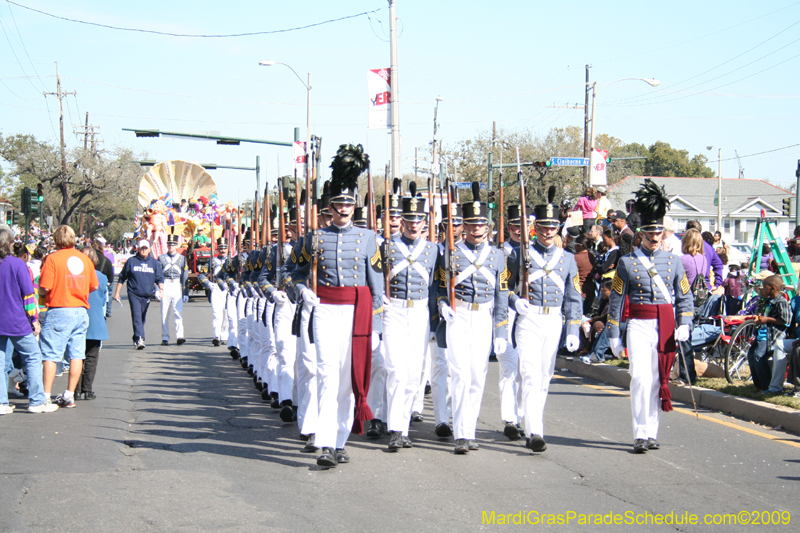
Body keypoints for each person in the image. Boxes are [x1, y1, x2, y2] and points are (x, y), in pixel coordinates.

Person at [291, 144, 384, 468]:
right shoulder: (314, 239)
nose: (343, 209)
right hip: (326, 308)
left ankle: (342, 438)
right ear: (329, 206)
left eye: (348, 203)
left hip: (358, 311)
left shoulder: (370, 238)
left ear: (355, 205)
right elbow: (294, 274)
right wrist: (303, 291)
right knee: (327, 375)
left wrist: (378, 325)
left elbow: (377, 284)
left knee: (347, 379)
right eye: (338, 203)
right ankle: (326, 443)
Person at [607, 180, 693, 453]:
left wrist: (685, 323)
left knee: (658, 379)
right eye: (649, 232)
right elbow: (617, 301)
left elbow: (685, 296)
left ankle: (652, 431)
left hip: (665, 325)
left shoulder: (674, 262)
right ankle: (639, 432)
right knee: (640, 378)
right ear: (641, 234)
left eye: (658, 232)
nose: (654, 237)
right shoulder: (627, 262)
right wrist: (613, 333)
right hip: (639, 324)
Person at [507, 187, 582, 453]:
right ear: (535, 227)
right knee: (529, 373)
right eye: (543, 227)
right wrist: (516, 301)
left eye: (552, 227)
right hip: (528, 319)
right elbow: (504, 287)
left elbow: (574, 296)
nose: (548, 232)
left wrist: (573, 328)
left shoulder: (568, 259)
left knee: (544, 377)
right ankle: (534, 430)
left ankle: (530, 418)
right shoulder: (519, 255)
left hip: (553, 321)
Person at [437, 182, 509, 455]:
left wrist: (501, 331)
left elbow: (502, 295)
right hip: (459, 315)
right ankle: (460, 433)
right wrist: (444, 306)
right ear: (463, 226)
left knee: (477, 376)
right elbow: (441, 290)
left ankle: (470, 430)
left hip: (484, 318)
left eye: (480, 225)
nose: (476, 229)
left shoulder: (498, 256)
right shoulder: (450, 253)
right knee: (459, 374)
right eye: (471, 224)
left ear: (487, 227)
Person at [383, 192, 438, 452]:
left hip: (419, 312)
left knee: (414, 373)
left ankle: (403, 427)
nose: (414, 224)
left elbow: (438, 286)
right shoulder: (387, 246)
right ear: (401, 220)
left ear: (425, 221)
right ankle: (394, 428)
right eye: (409, 219)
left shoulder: (433, 250)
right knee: (395, 369)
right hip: (393, 309)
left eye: (419, 219)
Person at [38, 225, 99, 408]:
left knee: (50, 354)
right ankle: (70, 393)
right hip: (80, 310)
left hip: (59, 308)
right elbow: (94, 285)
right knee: (77, 354)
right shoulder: (84, 259)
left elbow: (45, 287)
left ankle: (46, 395)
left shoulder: (52, 259)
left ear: (56, 240)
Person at [0, 227, 57, 413]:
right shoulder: (17, 265)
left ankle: (1, 402)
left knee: (0, 361)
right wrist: (34, 319)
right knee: (33, 357)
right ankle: (37, 400)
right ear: (9, 244)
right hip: (17, 320)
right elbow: (28, 295)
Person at [496, 204, 527, 441]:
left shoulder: (536, 251)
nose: (520, 229)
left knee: (525, 371)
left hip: (532, 315)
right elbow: (501, 287)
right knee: (509, 366)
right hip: (507, 312)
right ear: (509, 228)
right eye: (516, 226)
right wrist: (514, 301)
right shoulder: (501, 252)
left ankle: (521, 415)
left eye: (524, 225)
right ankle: (510, 419)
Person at [114, 239, 164, 349]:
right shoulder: (131, 261)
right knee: (136, 316)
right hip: (134, 293)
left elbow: (159, 278)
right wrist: (117, 292)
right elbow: (122, 278)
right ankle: (141, 338)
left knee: (141, 318)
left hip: (147, 294)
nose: (144, 250)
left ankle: (136, 337)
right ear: (138, 249)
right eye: (142, 248)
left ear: (149, 249)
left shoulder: (154, 263)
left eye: (146, 248)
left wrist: (161, 289)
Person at [746, 275, 790, 394]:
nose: (762, 290)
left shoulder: (781, 302)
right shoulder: (767, 301)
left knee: (759, 356)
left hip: (771, 336)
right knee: (751, 356)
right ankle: (758, 385)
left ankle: (766, 386)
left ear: (773, 288)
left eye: (764, 288)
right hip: (761, 333)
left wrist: (768, 319)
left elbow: (786, 321)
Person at [76, 247, 108, 400]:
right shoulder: (101, 277)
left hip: (78, 318)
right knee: (91, 357)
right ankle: (87, 389)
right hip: (95, 319)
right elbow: (103, 300)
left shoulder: (74, 276)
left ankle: (74, 388)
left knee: (76, 355)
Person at [158, 235, 188, 345]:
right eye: (169, 244)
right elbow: (158, 274)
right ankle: (165, 337)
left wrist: (186, 292)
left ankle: (180, 336)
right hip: (165, 283)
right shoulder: (161, 258)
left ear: (177, 245)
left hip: (176, 284)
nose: (171, 246)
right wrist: (157, 288)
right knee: (164, 312)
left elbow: (184, 277)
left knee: (178, 312)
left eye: (173, 244)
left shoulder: (181, 258)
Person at [198, 238, 229, 346]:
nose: (223, 250)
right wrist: (208, 284)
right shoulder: (212, 261)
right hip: (215, 288)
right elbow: (201, 275)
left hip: (227, 288)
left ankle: (224, 335)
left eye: (225, 247)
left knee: (226, 314)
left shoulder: (231, 261)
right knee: (217, 314)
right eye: (221, 248)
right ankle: (216, 335)